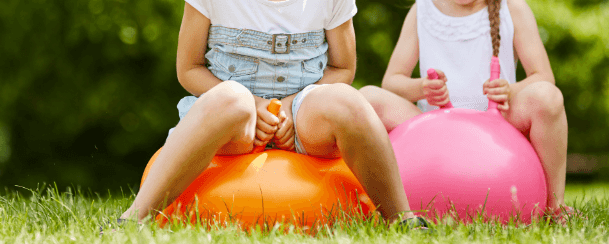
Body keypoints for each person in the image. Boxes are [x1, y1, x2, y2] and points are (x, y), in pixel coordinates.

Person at [119, 0, 426, 227]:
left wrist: (292, 106)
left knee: (350, 101)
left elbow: (343, 68)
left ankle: (402, 218)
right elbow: (189, 69)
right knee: (231, 97)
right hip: (234, 120)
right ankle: (133, 219)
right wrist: (254, 103)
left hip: (303, 111)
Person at [359, 0, 573, 219]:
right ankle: (375, 204)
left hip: (499, 125)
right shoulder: (422, 10)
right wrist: (422, 88)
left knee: (548, 97)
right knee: (368, 99)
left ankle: (555, 208)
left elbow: (544, 75)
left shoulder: (512, 7)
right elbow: (391, 81)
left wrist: (510, 90)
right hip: (435, 123)